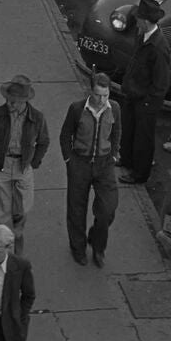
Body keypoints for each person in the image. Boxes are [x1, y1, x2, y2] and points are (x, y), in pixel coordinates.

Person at [0, 74, 49, 256]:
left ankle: (17, 233)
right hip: (1, 164)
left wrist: (34, 162)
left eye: (14, 102)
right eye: (8, 100)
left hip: (23, 165)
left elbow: (44, 141)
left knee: (24, 207)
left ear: (24, 101)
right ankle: (7, 249)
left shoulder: (37, 117)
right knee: (3, 209)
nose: (10, 104)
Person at [60, 73, 121, 267]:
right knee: (76, 209)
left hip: (104, 164)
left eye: (105, 95)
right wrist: (69, 159)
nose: (101, 100)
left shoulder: (115, 109)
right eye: (97, 95)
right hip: (80, 163)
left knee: (107, 209)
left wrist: (114, 154)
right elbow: (65, 135)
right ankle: (78, 248)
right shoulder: (77, 109)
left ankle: (97, 244)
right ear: (90, 91)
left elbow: (117, 132)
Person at [118, 0, 170, 186]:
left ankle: (139, 174)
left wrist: (149, 102)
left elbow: (161, 82)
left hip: (145, 101)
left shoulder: (158, 47)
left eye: (138, 19)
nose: (136, 22)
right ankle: (126, 160)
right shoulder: (142, 36)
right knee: (129, 130)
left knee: (143, 139)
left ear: (146, 21)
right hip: (133, 94)